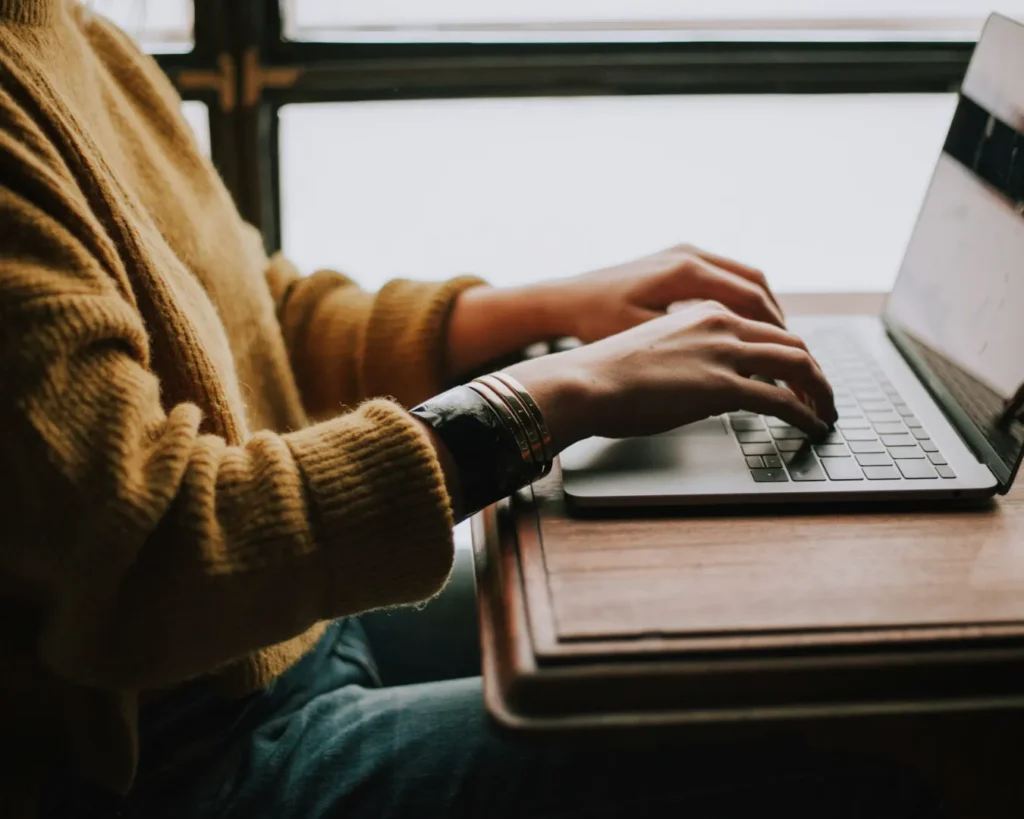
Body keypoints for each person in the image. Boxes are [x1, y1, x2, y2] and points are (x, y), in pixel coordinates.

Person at [0, 3, 943, 818]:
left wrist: (545, 310)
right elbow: (154, 556)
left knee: (758, 633)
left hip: (281, 631)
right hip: (180, 760)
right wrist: (556, 394)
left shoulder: (70, 31)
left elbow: (254, 318)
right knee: (829, 739)